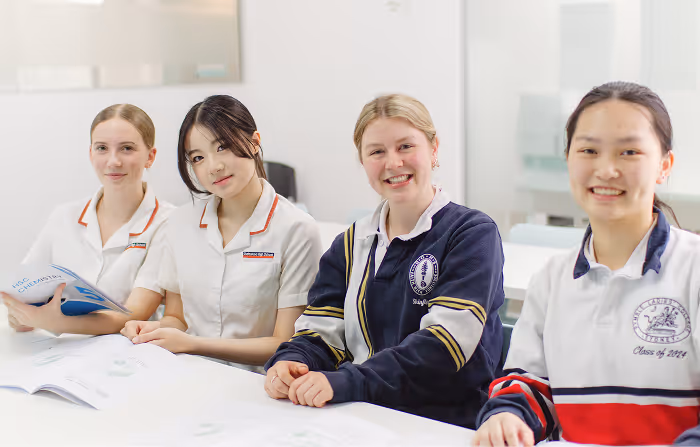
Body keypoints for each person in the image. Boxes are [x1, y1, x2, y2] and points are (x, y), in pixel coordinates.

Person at [473, 81, 700, 447]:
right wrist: (508, 416)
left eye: (629, 152)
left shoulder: (693, 269)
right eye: (589, 150)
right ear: (568, 160)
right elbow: (530, 384)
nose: (606, 169)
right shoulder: (551, 279)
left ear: (665, 165)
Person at [263, 94, 505, 428]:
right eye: (377, 151)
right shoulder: (350, 244)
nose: (393, 163)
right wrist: (292, 360)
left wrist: (348, 382)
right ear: (362, 162)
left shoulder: (471, 234)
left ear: (434, 149)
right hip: (364, 414)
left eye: (406, 146)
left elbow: (443, 347)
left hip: (445, 424)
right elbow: (322, 333)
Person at [121, 95, 323, 372]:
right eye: (198, 157)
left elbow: (285, 343)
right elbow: (177, 319)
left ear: (254, 142)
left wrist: (192, 343)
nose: (213, 166)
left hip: (261, 387)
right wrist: (153, 329)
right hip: (188, 375)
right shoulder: (179, 223)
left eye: (223, 147)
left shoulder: (297, 229)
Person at [2, 104, 174, 334]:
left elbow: (134, 313)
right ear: (91, 153)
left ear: (150, 157)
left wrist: (54, 323)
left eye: (126, 148)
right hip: (55, 354)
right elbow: (22, 288)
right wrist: (20, 315)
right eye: (102, 148)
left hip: (127, 355)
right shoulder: (64, 216)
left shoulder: (168, 222)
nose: (113, 161)